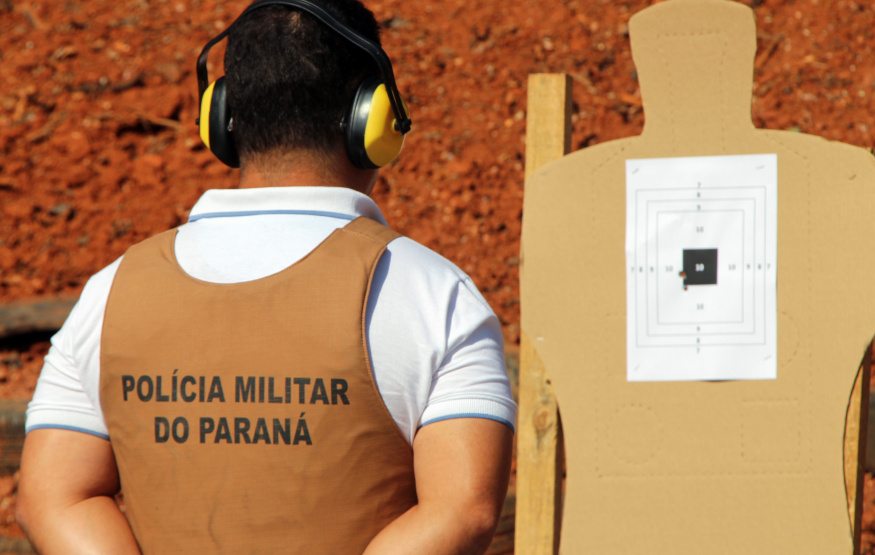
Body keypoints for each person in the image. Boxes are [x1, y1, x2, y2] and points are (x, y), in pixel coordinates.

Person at [15, 1, 516, 553]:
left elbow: (53, 498)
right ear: (373, 119)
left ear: (221, 116)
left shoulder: (111, 292)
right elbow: (462, 510)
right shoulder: (435, 295)